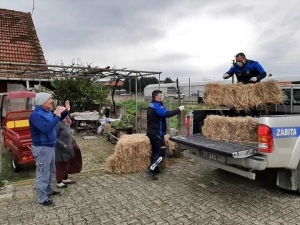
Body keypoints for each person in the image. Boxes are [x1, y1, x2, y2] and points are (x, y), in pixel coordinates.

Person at [29, 92, 70, 207]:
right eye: (49, 99)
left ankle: (48, 191)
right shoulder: (36, 115)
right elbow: (46, 128)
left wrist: (65, 111)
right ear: (42, 102)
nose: (51, 101)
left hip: (50, 146)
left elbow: (55, 120)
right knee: (43, 173)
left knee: (51, 170)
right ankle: (42, 198)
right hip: (42, 148)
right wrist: (56, 115)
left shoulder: (46, 112)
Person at [146, 90, 184, 180]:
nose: (161, 97)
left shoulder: (151, 105)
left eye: (161, 96)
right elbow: (167, 114)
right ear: (156, 98)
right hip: (157, 134)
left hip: (151, 132)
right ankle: (151, 169)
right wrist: (179, 109)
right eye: (160, 96)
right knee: (162, 152)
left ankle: (153, 168)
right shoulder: (157, 107)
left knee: (155, 151)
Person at [55, 115, 76, 189]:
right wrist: (62, 144)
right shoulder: (57, 123)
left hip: (67, 147)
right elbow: (53, 137)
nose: (66, 116)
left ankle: (65, 178)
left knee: (67, 163)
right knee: (61, 164)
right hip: (60, 148)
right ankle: (59, 181)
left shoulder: (65, 122)